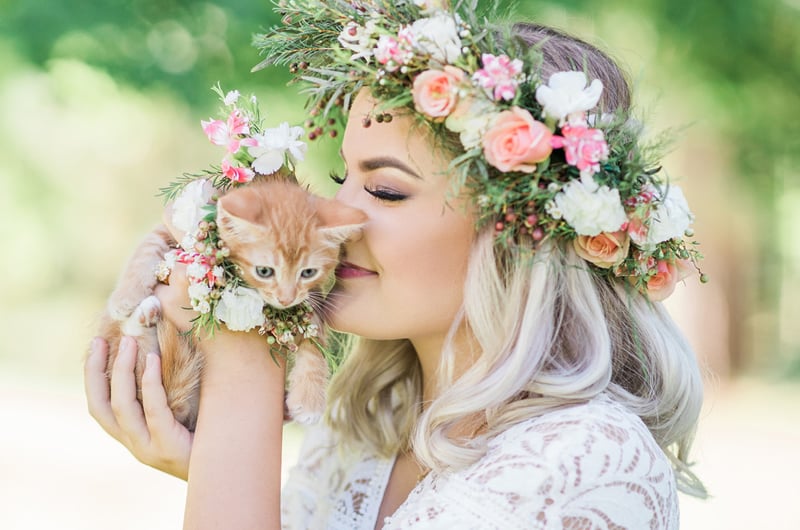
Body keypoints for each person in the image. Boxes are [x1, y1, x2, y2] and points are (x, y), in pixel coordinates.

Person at [85, 1, 708, 528]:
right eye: (340, 176)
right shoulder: (363, 428)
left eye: (385, 190)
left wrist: (245, 369)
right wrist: (221, 458)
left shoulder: (588, 457)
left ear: (519, 236)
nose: (336, 214)